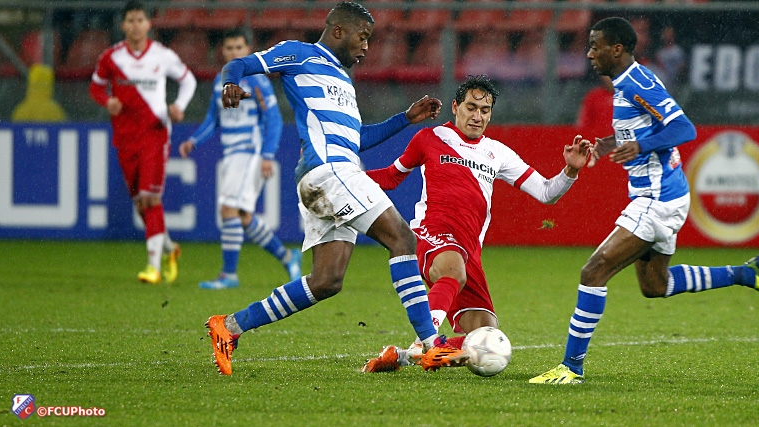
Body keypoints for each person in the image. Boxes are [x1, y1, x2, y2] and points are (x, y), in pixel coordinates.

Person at [529, 17, 759, 385]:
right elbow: (641, 130)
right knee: (655, 285)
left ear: (617, 49)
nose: (589, 53)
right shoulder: (624, 86)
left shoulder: (637, 83)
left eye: (595, 46)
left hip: (656, 197)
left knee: (593, 271)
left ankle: (571, 367)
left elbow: (684, 128)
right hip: (664, 195)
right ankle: (746, 274)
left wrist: (641, 146)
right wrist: (606, 145)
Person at [205, 1, 446, 376]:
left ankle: (229, 327)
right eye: (362, 37)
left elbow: (356, 140)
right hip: (329, 173)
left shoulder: (344, 82)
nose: (366, 46)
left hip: (330, 173)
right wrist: (231, 82)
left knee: (326, 281)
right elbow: (239, 64)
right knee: (402, 238)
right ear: (338, 31)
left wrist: (406, 119)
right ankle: (432, 345)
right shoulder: (300, 55)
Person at [360, 75, 592, 372]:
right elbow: (391, 177)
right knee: (453, 269)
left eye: (485, 110)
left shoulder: (498, 152)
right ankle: (429, 345)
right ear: (455, 107)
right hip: (433, 233)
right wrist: (340, 177)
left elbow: (546, 193)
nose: (477, 116)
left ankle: (401, 355)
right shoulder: (430, 138)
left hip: (470, 251)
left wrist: (570, 171)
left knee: (487, 338)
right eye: (471, 107)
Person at [178, 29, 302, 290]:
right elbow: (213, 119)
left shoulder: (256, 80)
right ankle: (288, 256)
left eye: (239, 48)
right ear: (222, 51)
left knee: (228, 210)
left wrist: (267, 155)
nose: (234, 53)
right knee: (243, 216)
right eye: (229, 48)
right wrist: (194, 140)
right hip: (232, 153)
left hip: (249, 150)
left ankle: (228, 274)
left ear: (248, 50)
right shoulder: (219, 82)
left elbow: (274, 120)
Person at [89, 0, 196, 284]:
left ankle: (153, 267)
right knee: (141, 205)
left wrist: (179, 106)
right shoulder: (112, 57)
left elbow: (188, 81)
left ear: (149, 24)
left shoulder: (162, 55)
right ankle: (170, 249)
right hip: (125, 137)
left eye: (140, 20)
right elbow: (95, 85)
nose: (136, 26)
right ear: (123, 25)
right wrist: (107, 100)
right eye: (131, 20)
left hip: (155, 132)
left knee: (151, 198)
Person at [575, 75, 614, 142]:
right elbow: (582, 126)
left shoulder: (631, 96)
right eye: (608, 75)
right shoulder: (593, 97)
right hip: (597, 144)